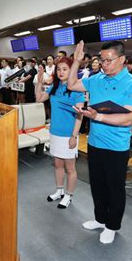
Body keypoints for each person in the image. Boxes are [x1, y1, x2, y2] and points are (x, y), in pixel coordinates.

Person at [68, 40, 132, 244]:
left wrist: (97, 117)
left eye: (109, 60)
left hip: (117, 147)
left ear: (122, 59)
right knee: (97, 185)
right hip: (95, 143)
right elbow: (71, 84)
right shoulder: (96, 78)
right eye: (102, 60)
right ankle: (100, 219)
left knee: (114, 188)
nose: (104, 64)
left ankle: (112, 226)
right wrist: (76, 62)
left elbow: (128, 118)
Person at [36, 56, 84, 209]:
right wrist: (39, 80)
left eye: (65, 69)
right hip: (54, 133)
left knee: (70, 168)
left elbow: (80, 115)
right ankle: (59, 191)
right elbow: (39, 99)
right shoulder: (54, 87)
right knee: (57, 164)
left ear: (72, 70)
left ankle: (68, 195)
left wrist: (74, 136)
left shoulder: (77, 90)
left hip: (68, 135)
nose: (61, 72)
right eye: (59, 69)